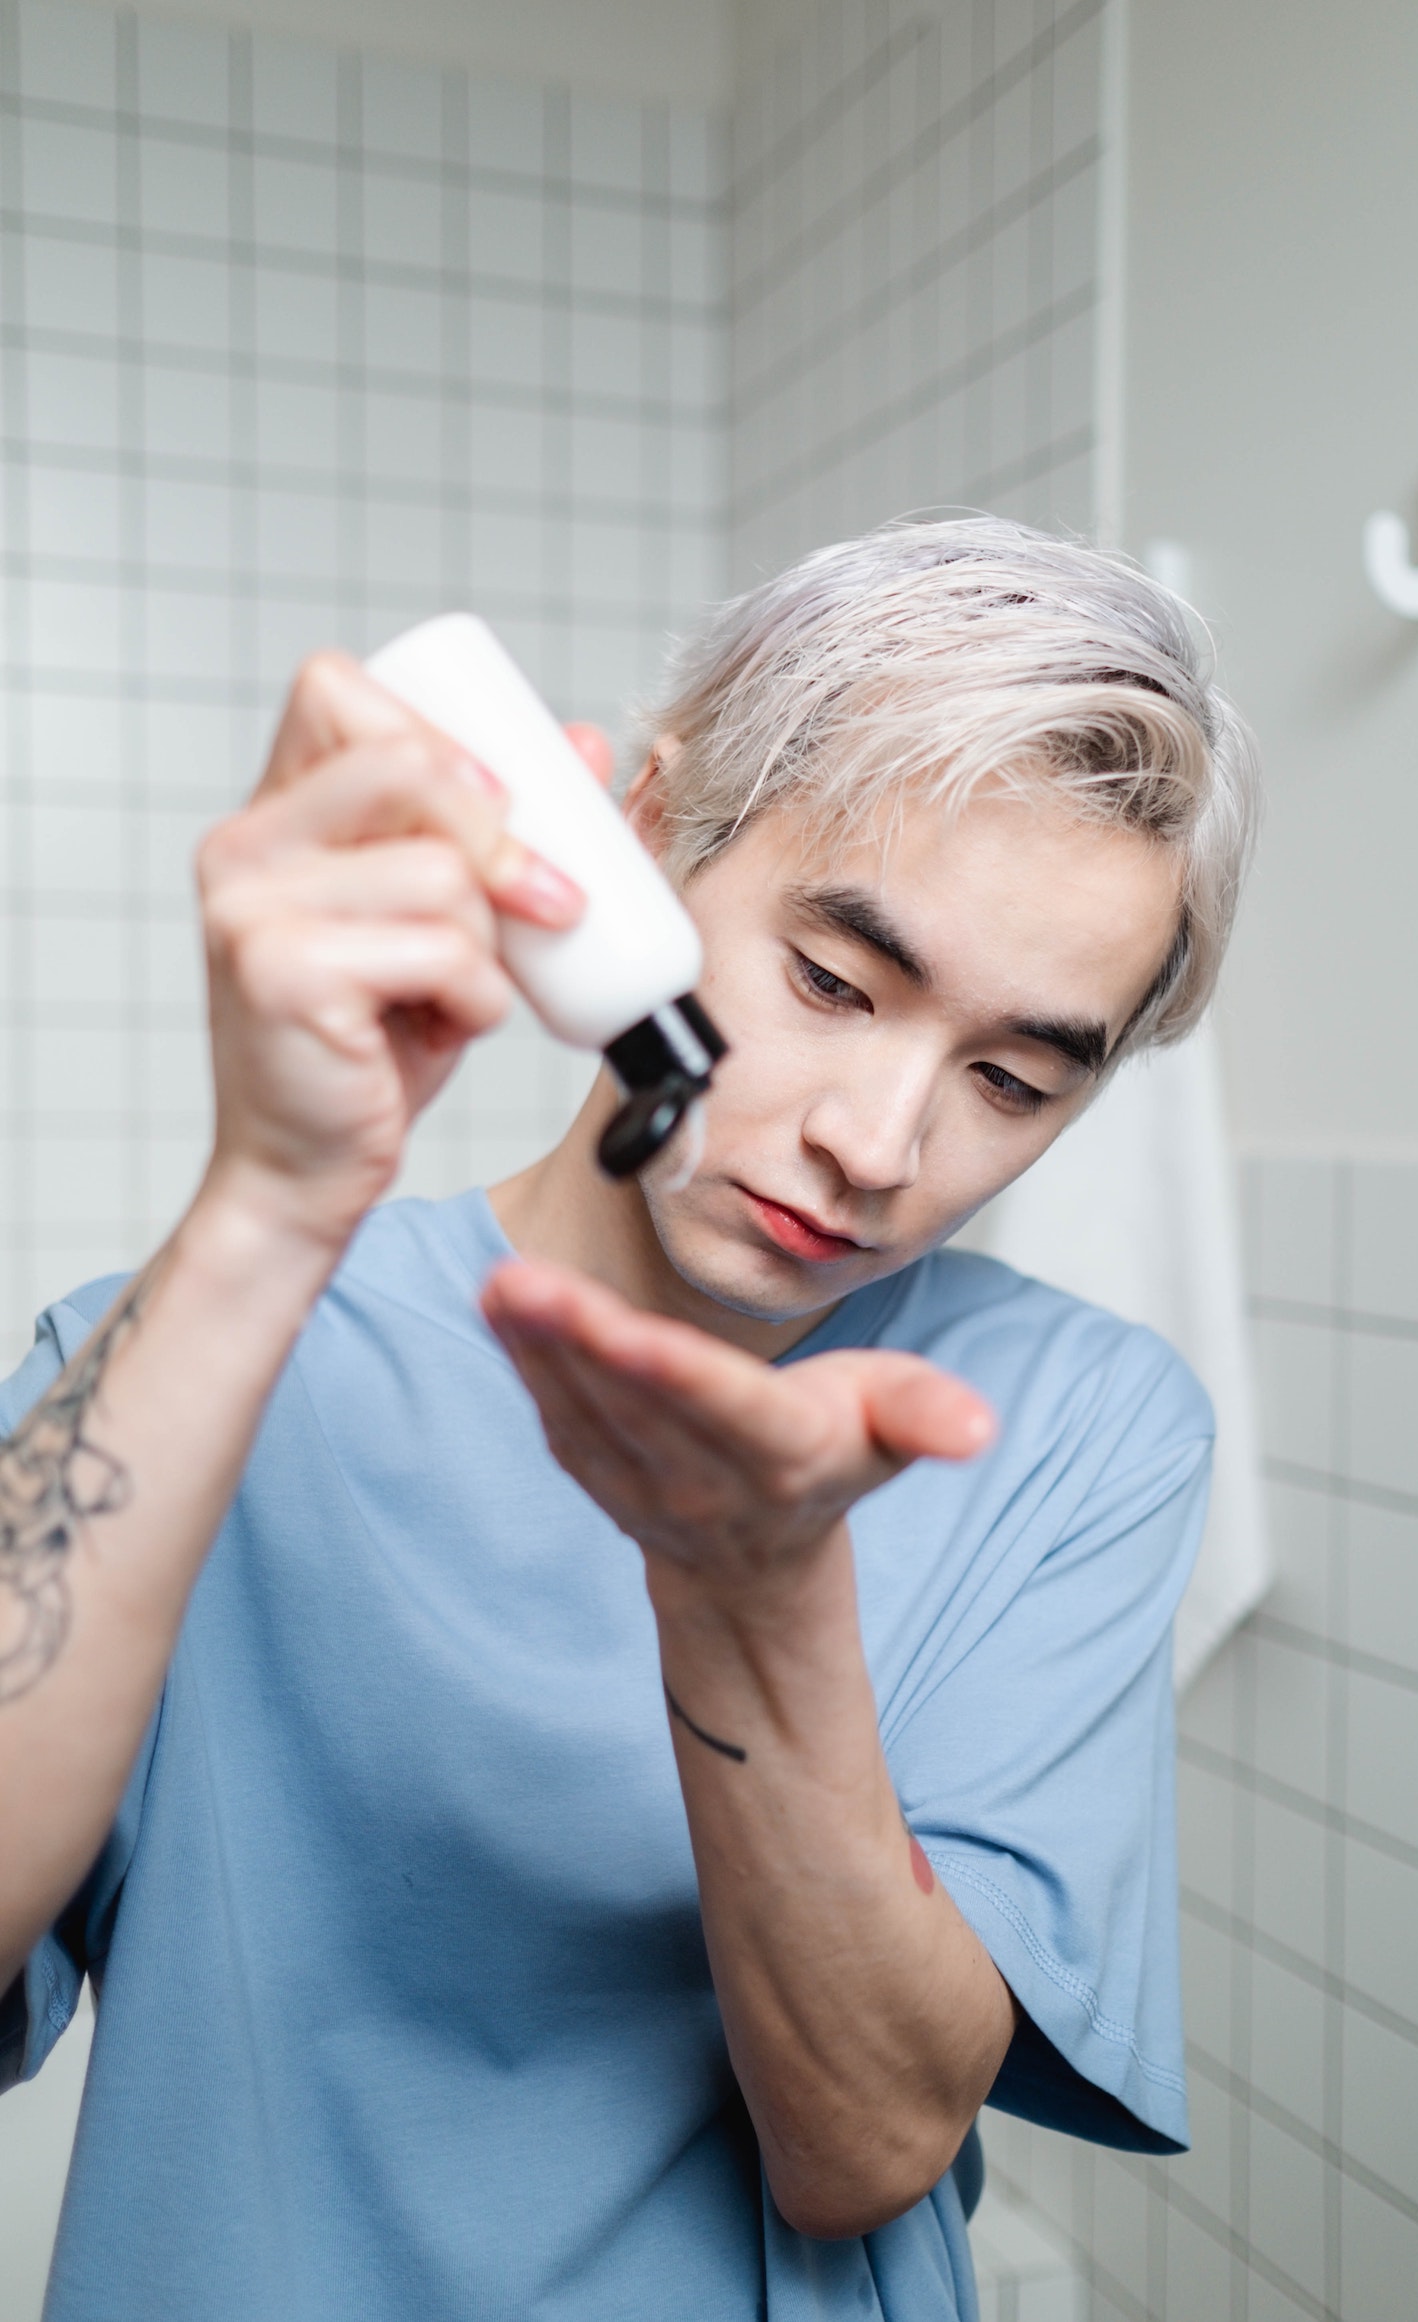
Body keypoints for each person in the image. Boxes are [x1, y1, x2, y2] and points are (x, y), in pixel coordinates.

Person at [0, 517, 1259, 2322]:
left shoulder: (1071, 1426)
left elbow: (869, 2142)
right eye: (831, 982)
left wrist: (750, 1597)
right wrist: (267, 1206)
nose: (883, 1145)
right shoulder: (197, 1359)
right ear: (645, 835)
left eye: (1008, 1078)